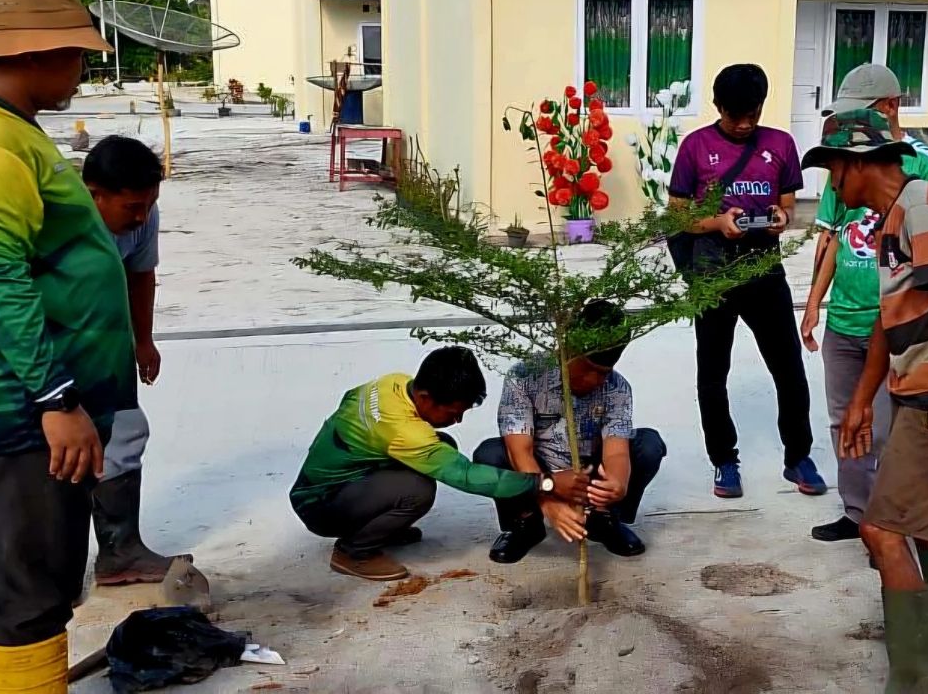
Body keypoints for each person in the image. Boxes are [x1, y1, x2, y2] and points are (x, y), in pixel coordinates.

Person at [0, 0, 134, 691]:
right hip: (28, 407)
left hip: (20, 388)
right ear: (37, 53)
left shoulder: (4, 128)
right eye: (77, 56)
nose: (81, 71)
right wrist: (57, 401)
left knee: (9, 564)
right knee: (34, 580)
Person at [802, 109, 928, 691]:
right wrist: (863, 400)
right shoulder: (892, 219)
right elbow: (890, 321)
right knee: (923, 525)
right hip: (920, 389)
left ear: (857, 163)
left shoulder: (922, 207)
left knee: (882, 530)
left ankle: (912, 680)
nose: (831, 184)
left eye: (833, 169)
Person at [801, 64, 928, 543]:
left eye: (860, 111)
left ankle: (889, 524)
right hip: (845, 318)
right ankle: (858, 513)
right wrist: (814, 302)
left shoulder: (923, 169)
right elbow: (832, 236)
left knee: (887, 428)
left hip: (895, 324)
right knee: (845, 418)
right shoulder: (844, 159)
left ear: (889, 106)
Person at [668, 63, 825, 499]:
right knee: (712, 371)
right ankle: (723, 460)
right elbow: (677, 215)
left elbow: (788, 203)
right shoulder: (696, 146)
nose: (743, 124)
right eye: (734, 115)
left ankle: (798, 457)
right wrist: (717, 222)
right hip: (713, 273)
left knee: (789, 368)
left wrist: (781, 218)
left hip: (764, 269)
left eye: (751, 114)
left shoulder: (780, 143)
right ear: (717, 106)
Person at [290, 347, 548, 582]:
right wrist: (545, 483)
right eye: (452, 412)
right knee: (417, 491)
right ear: (425, 397)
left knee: (442, 444)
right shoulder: (404, 432)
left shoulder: (393, 382)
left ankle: (379, 527)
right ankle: (353, 552)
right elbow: (466, 476)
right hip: (320, 505)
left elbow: (348, 400)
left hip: (329, 484)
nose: (458, 420)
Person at [82, 136, 195, 585]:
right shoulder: (53, 221)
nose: (142, 217)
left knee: (125, 432)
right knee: (56, 450)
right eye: (132, 207)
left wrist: (143, 340)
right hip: (52, 351)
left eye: (150, 204)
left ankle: (120, 551)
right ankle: (48, 571)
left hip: (109, 344)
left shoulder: (142, 216)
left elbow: (141, 274)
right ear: (94, 195)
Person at [473, 300, 667, 562]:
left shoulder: (617, 389)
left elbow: (616, 453)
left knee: (648, 445)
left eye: (602, 373)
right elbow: (520, 452)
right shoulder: (524, 378)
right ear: (567, 349)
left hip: (590, 471)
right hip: (539, 473)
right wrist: (547, 500)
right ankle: (526, 523)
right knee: (490, 456)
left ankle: (604, 518)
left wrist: (618, 485)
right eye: (586, 369)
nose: (593, 380)